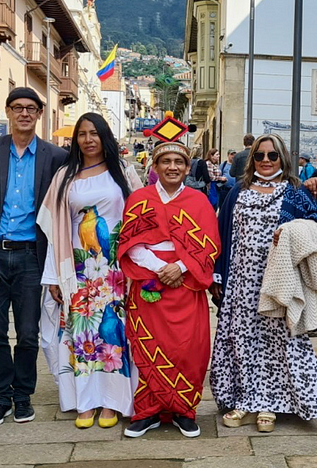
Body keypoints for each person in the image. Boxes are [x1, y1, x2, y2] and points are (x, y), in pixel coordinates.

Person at [210, 134, 317, 433]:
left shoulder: (293, 192)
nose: (266, 161)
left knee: (277, 342)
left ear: (283, 159)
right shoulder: (237, 192)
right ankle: (244, 398)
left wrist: (294, 229)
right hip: (241, 283)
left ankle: (270, 402)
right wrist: (217, 274)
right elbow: (220, 235)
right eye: (260, 156)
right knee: (242, 340)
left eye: (272, 156)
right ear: (251, 160)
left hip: (278, 281)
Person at [37, 112, 142, 429]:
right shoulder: (65, 176)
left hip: (115, 270)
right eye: (82, 133)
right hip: (78, 270)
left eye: (94, 133)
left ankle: (112, 401)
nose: (88, 139)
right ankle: (84, 401)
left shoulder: (122, 172)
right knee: (82, 334)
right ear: (76, 139)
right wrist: (54, 276)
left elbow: (141, 214)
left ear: (104, 136)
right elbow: (55, 229)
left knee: (113, 336)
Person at [0, 87, 68, 427]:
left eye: (31, 108)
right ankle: (0, 396)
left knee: (28, 333)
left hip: (33, 255)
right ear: (9, 111)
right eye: (18, 108)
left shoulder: (54, 156)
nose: (24, 114)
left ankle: (23, 396)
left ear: (39, 114)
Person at [118, 140, 220, 438]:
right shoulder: (139, 199)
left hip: (186, 284)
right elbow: (129, 242)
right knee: (149, 348)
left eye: (179, 162)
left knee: (188, 349)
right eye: (166, 161)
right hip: (148, 282)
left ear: (188, 168)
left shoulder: (199, 202)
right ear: (156, 167)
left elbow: (210, 245)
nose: (172, 167)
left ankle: (184, 410)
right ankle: (148, 411)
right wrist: (159, 268)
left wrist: (181, 267)